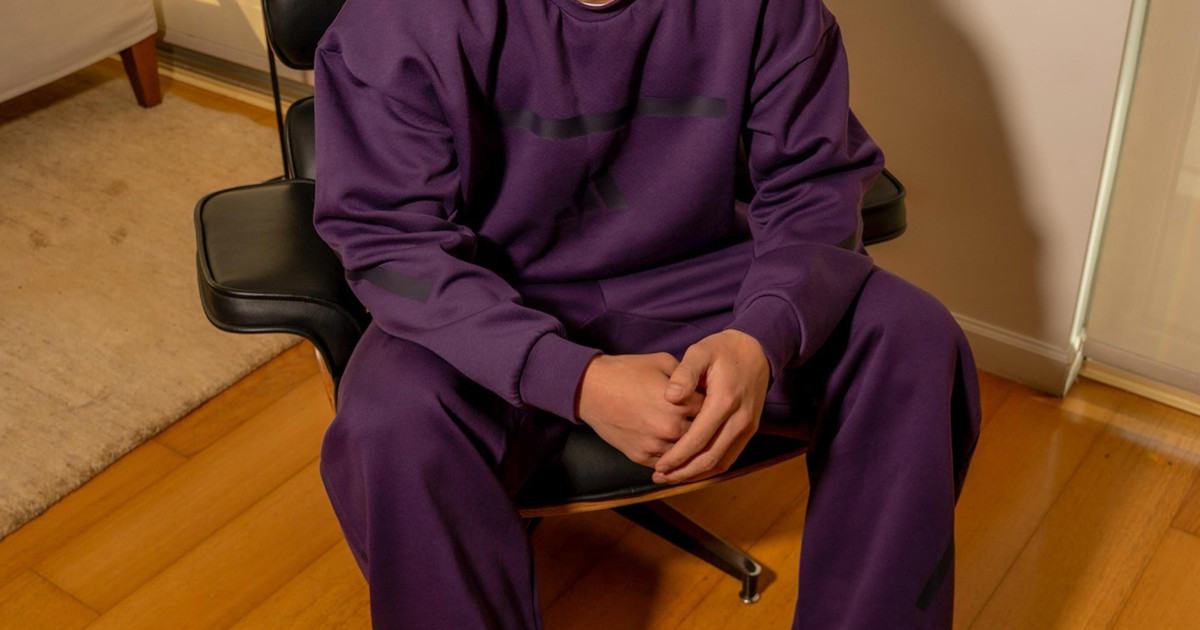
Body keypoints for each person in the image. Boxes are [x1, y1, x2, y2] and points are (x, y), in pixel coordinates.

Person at [311, 0, 982, 627]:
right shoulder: (400, 18)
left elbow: (814, 186)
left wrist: (760, 337)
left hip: (702, 278)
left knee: (908, 334)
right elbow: (391, 239)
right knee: (392, 417)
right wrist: (573, 379)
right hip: (491, 296)